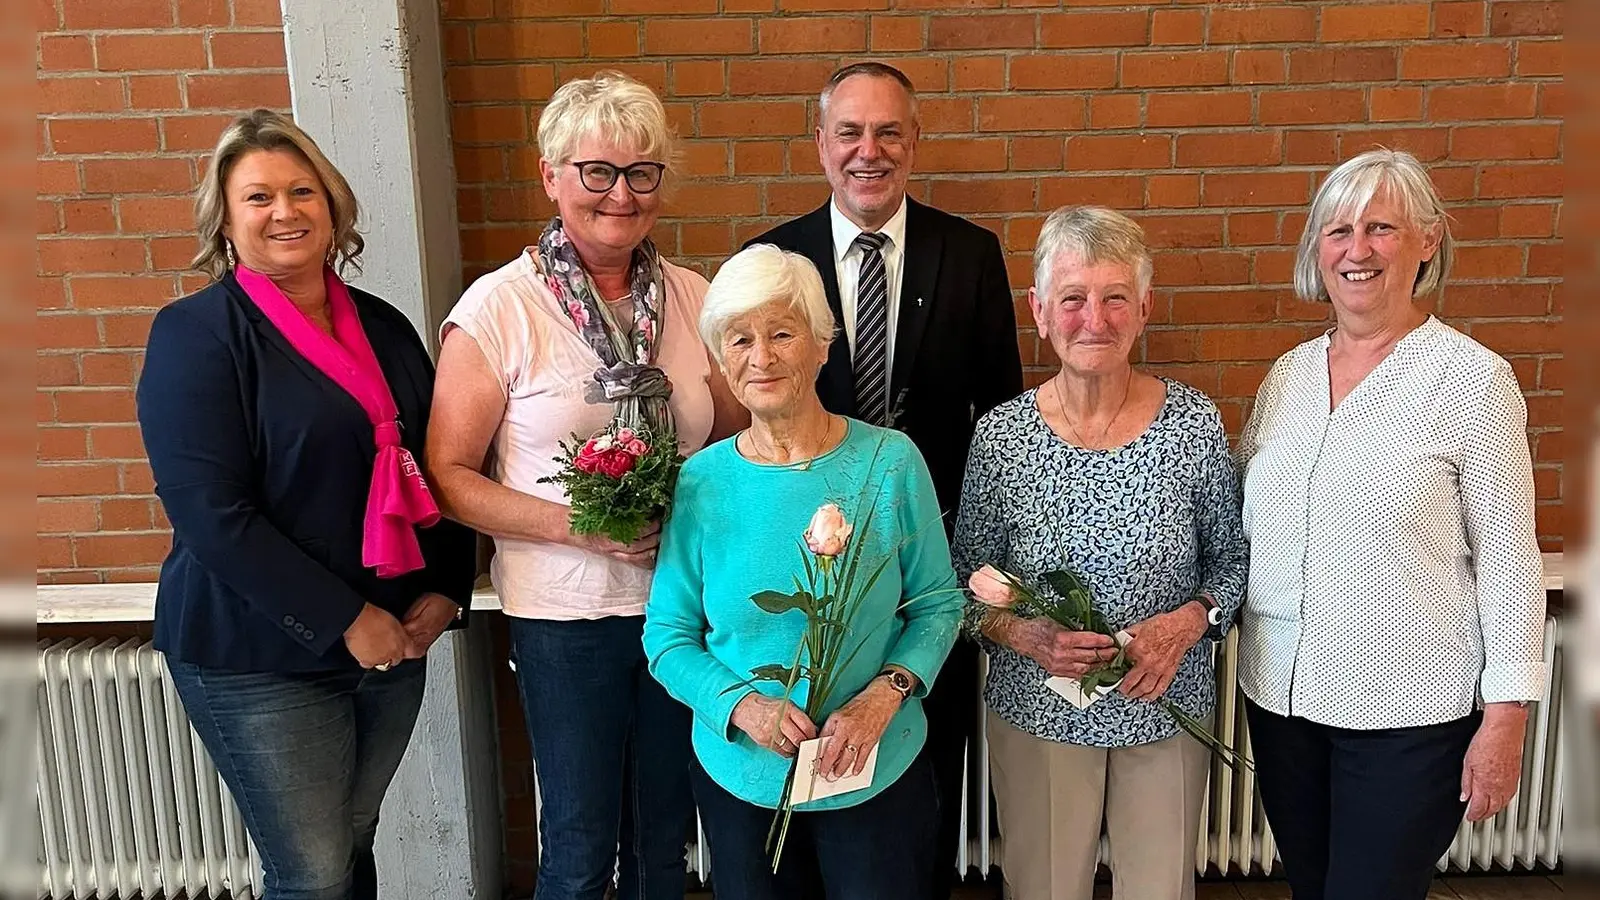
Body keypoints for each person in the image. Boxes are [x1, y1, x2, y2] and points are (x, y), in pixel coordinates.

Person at [135, 109, 477, 900]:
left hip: (393, 641)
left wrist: (444, 592)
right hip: (258, 653)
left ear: (332, 207)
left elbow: (438, 465)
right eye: (258, 197)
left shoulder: (385, 327)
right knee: (312, 872)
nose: (284, 211)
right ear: (224, 220)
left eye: (302, 191)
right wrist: (346, 619)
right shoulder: (197, 335)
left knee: (350, 845)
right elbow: (210, 516)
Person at [425, 72, 743, 900]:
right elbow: (450, 478)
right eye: (597, 171)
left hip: (680, 611)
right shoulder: (500, 308)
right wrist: (580, 527)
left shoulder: (694, 298)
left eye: (643, 173)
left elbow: (744, 438)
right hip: (567, 618)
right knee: (578, 842)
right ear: (551, 176)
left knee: (664, 836)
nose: (621, 194)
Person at [1237, 149, 1548, 900]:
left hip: (1408, 711)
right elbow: (1244, 522)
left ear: (1429, 240)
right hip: (1282, 701)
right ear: (1319, 250)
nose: (1358, 249)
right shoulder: (1287, 377)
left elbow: (1509, 557)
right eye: (1339, 230)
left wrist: (1505, 717)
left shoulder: (1472, 380)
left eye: (1381, 227)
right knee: (1311, 887)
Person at [745, 62, 1022, 896]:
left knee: (924, 786)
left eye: (888, 132)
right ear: (821, 144)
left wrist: (980, 561)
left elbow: (1001, 421)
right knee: (810, 784)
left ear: (914, 140)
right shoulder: (772, 259)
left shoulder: (969, 254)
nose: (870, 152)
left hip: (929, 573)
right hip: (806, 572)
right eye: (850, 133)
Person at [643, 244, 962, 899]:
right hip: (745, 776)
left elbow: (939, 604)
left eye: (783, 333)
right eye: (739, 339)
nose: (761, 357)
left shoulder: (890, 463)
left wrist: (887, 692)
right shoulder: (701, 483)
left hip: (876, 764)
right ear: (719, 359)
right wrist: (742, 705)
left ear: (821, 345)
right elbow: (667, 638)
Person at [952, 206, 1247, 900]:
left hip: (1165, 700)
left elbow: (1232, 565)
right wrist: (1028, 636)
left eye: (1116, 298)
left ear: (1143, 309)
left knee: (1159, 889)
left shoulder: (1194, 423)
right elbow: (964, 588)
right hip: (1040, 712)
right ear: (1041, 312)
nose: (1096, 319)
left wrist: (1185, 625)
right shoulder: (1002, 438)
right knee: (1046, 888)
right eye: (1074, 299)